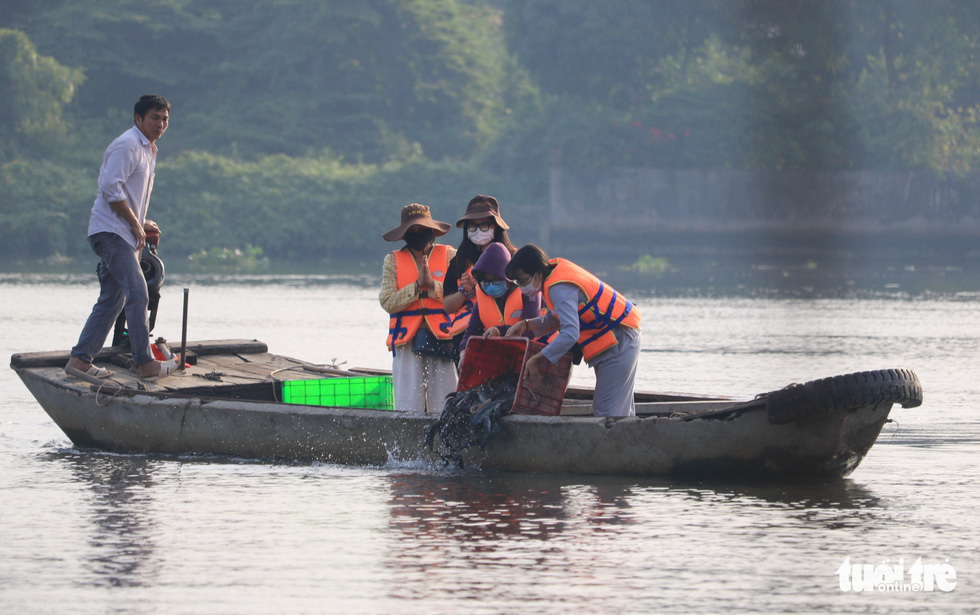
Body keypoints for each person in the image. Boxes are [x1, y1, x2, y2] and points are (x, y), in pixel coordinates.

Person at [65, 94, 178, 381]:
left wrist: (141, 222)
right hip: (112, 233)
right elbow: (109, 188)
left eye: (165, 119)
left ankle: (80, 361)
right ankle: (145, 364)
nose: (160, 124)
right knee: (138, 293)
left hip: (124, 233)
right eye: (154, 118)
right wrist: (135, 224)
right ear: (138, 119)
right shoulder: (128, 144)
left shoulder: (149, 150)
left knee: (112, 300)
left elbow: (127, 195)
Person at [504, 245, 642, 417]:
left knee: (607, 411)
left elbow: (570, 333)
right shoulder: (552, 278)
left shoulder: (558, 288)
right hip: (614, 338)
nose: (521, 287)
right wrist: (526, 324)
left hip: (620, 338)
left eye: (523, 281)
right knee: (619, 408)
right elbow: (556, 319)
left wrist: (537, 359)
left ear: (537, 274)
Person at [380, 204, 459, 413]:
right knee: (408, 405)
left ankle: (445, 442)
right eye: (411, 231)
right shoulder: (392, 261)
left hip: (443, 339)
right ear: (404, 234)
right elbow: (387, 301)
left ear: (431, 231)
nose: (417, 235)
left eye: (421, 229)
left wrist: (432, 285)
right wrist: (416, 287)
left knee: (445, 403)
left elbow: (462, 295)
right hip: (406, 341)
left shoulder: (450, 256)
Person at [443, 195, 517, 364]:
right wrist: (465, 291)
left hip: (504, 333)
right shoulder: (459, 261)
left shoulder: (513, 258)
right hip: (466, 336)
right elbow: (448, 306)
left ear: (496, 227)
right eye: (472, 226)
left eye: (484, 225)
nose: (478, 230)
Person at [457, 242, 541, 366]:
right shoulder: (482, 294)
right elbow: (472, 331)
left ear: (507, 278)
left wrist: (499, 331)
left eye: (496, 280)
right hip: (505, 357)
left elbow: (531, 330)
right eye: (485, 281)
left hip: (538, 354)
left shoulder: (527, 290)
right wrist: (464, 352)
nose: (490, 285)